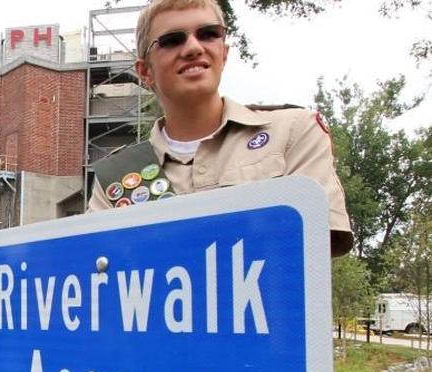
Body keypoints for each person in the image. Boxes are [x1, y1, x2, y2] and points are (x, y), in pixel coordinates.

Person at [87, 0, 354, 257]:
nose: (193, 47)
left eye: (209, 34)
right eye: (172, 40)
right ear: (145, 72)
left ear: (224, 53)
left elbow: (311, 252)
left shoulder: (294, 132)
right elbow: (93, 270)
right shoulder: (117, 176)